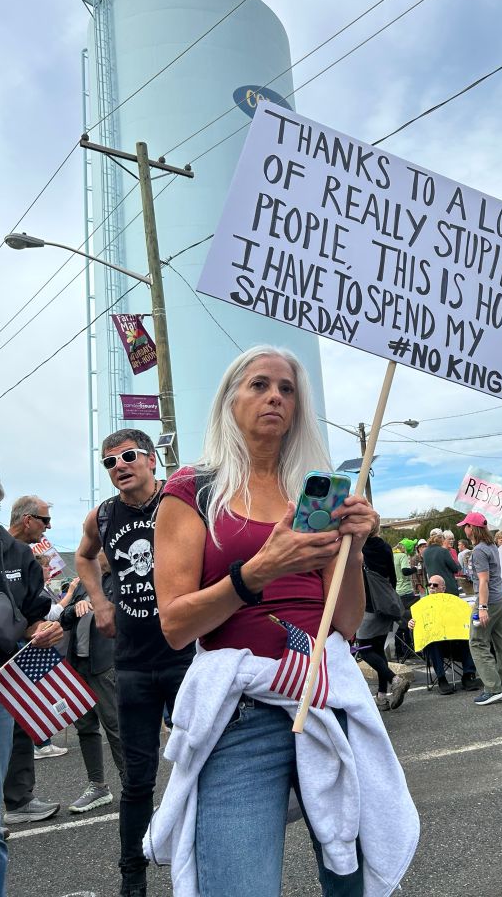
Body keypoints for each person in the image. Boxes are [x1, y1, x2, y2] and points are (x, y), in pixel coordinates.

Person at [148, 346, 417, 896]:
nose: (274, 396)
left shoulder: (313, 495)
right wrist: (258, 572)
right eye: (259, 384)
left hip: (325, 696)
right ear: (230, 400)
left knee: (352, 882)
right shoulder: (192, 490)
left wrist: (353, 548)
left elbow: (345, 622)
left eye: (287, 389)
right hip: (241, 711)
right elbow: (175, 625)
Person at [76, 428, 196, 897]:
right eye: (109, 462)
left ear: (150, 460)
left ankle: (204, 861)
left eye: (127, 456)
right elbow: (84, 557)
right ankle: (133, 878)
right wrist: (100, 603)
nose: (119, 466)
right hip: (132, 662)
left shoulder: (178, 500)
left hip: (186, 655)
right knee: (137, 780)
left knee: (202, 764)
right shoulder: (103, 515)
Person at [0, 471, 64, 893]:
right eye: (44, 520)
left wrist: (45, 628)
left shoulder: (17, 554)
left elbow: (34, 614)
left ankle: (19, 801)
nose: (47, 528)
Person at [59, 552, 125, 813]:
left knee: (115, 726)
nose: (90, 555)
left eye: (96, 550)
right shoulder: (84, 583)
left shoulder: (121, 580)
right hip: (78, 665)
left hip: (105, 665)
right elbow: (63, 618)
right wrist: (73, 609)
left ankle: (131, 784)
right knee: (85, 727)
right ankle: (97, 785)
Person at [459, 512, 502, 705]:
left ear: (472, 528)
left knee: (477, 643)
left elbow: (483, 580)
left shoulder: (479, 550)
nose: (464, 529)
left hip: (489, 601)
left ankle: (493, 688)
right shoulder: (492, 546)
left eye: (466, 526)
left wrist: (482, 607)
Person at [357, 532, 410, 712]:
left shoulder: (358, 547)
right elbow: (392, 578)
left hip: (368, 605)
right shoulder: (386, 547)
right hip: (386, 604)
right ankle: (381, 696)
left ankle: (394, 679)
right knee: (379, 650)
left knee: (365, 650)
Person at [407, 574, 480, 694]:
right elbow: (418, 633)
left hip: (455, 643)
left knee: (467, 638)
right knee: (433, 643)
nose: (431, 587)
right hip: (437, 646)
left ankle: (468, 675)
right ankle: (441, 679)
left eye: (435, 585)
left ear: (443, 588)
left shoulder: (454, 602)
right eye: (429, 585)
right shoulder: (422, 606)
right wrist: (411, 625)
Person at [392, 541, 418, 662]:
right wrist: (414, 569)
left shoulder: (392, 556)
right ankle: (409, 648)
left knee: (398, 621)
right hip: (406, 592)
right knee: (408, 621)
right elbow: (405, 571)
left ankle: (398, 649)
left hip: (395, 592)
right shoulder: (402, 556)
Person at [423, 530, 460, 596]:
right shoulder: (443, 551)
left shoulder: (425, 552)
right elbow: (455, 569)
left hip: (434, 588)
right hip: (447, 587)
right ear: (441, 539)